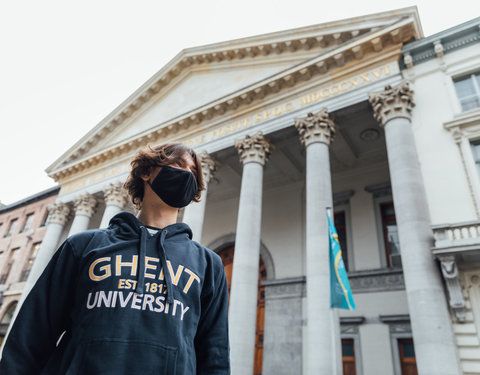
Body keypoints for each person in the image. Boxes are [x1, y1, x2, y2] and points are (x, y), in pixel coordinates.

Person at [0, 143, 230, 374]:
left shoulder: (209, 265)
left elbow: (215, 355)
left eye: (193, 172)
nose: (187, 174)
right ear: (146, 172)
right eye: (179, 165)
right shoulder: (82, 246)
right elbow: (32, 336)